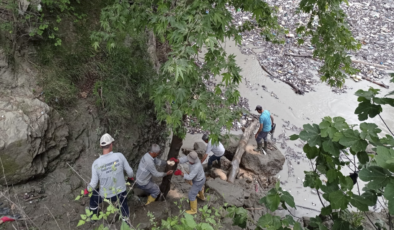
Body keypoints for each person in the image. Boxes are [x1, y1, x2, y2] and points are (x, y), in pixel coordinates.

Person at [84, 133, 133, 226]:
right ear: (111, 144)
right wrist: (130, 178)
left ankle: (93, 218)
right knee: (124, 205)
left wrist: (87, 190)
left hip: (106, 195)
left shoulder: (96, 163)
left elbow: (93, 184)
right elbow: (130, 172)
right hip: (120, 192)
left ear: (100, 146)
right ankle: (126, 223)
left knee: (94, 199)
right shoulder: (120, 156)